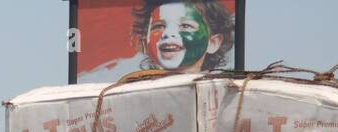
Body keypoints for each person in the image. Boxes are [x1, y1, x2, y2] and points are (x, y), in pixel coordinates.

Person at [79, 1, 234, 81]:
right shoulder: (132, 91)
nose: (168, 34)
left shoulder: (223, 92)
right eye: (159, 26)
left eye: (185, 25)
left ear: (213, 43)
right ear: (145, 42)